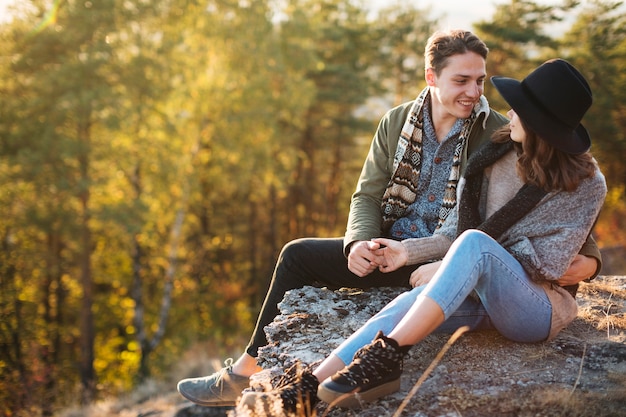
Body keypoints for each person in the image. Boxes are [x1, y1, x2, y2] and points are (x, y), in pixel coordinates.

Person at [177, 30, 601, 407]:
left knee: (469, 249)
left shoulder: (498, 138)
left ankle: (386, 357)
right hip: (423, 258)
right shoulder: (412, 124)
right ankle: (292, 386)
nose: (477, 92)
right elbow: (370, 194)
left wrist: (593, 261)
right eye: (462, 80)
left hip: (480, 273)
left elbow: (555, 230)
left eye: (480, 80)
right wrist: (368, 244)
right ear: (431, 78)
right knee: (306, 260)